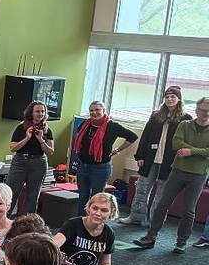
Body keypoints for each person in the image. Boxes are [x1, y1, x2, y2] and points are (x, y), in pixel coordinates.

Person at [136, 96, 209, 254]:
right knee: (163, 204)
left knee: (188, 210)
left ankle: (181, 242)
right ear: (196, 109)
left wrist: (191, 151)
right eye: (202, 110)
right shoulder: (185, 124)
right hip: (177, 171)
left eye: (208, 111)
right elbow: (176, 143)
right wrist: (201, 152)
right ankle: (150, 236)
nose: (205, 114)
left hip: (198, 175)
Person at [123, 86, 189, 228]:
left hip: (170, 163)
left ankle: (155, 221)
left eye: (173, 97)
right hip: (150, 160)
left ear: (179, 99)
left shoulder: (186, 119)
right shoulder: (156, 115)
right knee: (142, 188)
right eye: (167, 97)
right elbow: (145, 136)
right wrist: (139, 155)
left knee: (162, 194)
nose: (169, 99)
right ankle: (136, 217)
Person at [73, 101, 137, 212]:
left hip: (100, 168)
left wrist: (117, 150)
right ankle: (81, 222)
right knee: (82, 196)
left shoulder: (112, 126)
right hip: (83, 165)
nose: (94, 113)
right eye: (92, 110)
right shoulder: (85, 124)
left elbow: (132, 136)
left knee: (97, 197)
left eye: (97, 110)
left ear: (104, 111)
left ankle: (95, 222)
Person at [5, 101, 54, 216]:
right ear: (31, 113)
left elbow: (50, 151)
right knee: (11, 191)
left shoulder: (47, 130)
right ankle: (3, 218)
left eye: (43, 111)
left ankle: (26, 222)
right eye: (37, 111)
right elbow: (13, 148)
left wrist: (41, 139)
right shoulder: (21, 127)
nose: (40, 114)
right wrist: (27, 138)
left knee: (33, 194)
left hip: (39, 163)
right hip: (20, 162)